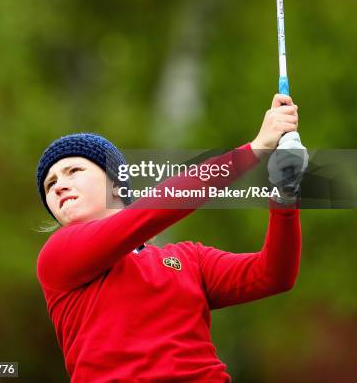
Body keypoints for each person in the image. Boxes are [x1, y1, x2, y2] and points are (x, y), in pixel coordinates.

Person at [36, 94, 307, 382]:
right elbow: (159, 208)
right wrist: (254, 150)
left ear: (116, 184)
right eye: (50, 184)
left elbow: (273, 275)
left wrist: (285, 195)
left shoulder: (188, 258)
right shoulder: (58, 255)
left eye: (73, 171)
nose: (59, 186)